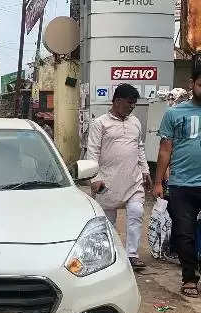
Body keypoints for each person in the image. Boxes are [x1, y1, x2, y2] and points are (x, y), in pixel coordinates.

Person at [86, 83, 151, 269]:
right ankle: (112, 254)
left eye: (134, 104)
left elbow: (140, 148)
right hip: (108, 180)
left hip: (134, 178)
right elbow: (92, 151)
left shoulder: (135, 122)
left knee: (137, 213)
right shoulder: (100, 123)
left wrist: (145, 171)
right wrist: (94, 177)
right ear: (117, 101)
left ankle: (132, 254)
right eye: (129, 102)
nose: (131, 107)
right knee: (108, 221)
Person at [154, 70, 201, 298]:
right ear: (192, 84)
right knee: (184, 234)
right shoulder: (174, 113)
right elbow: (165, 150)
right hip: (182, 184)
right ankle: (189, 278)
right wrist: (158, 182)